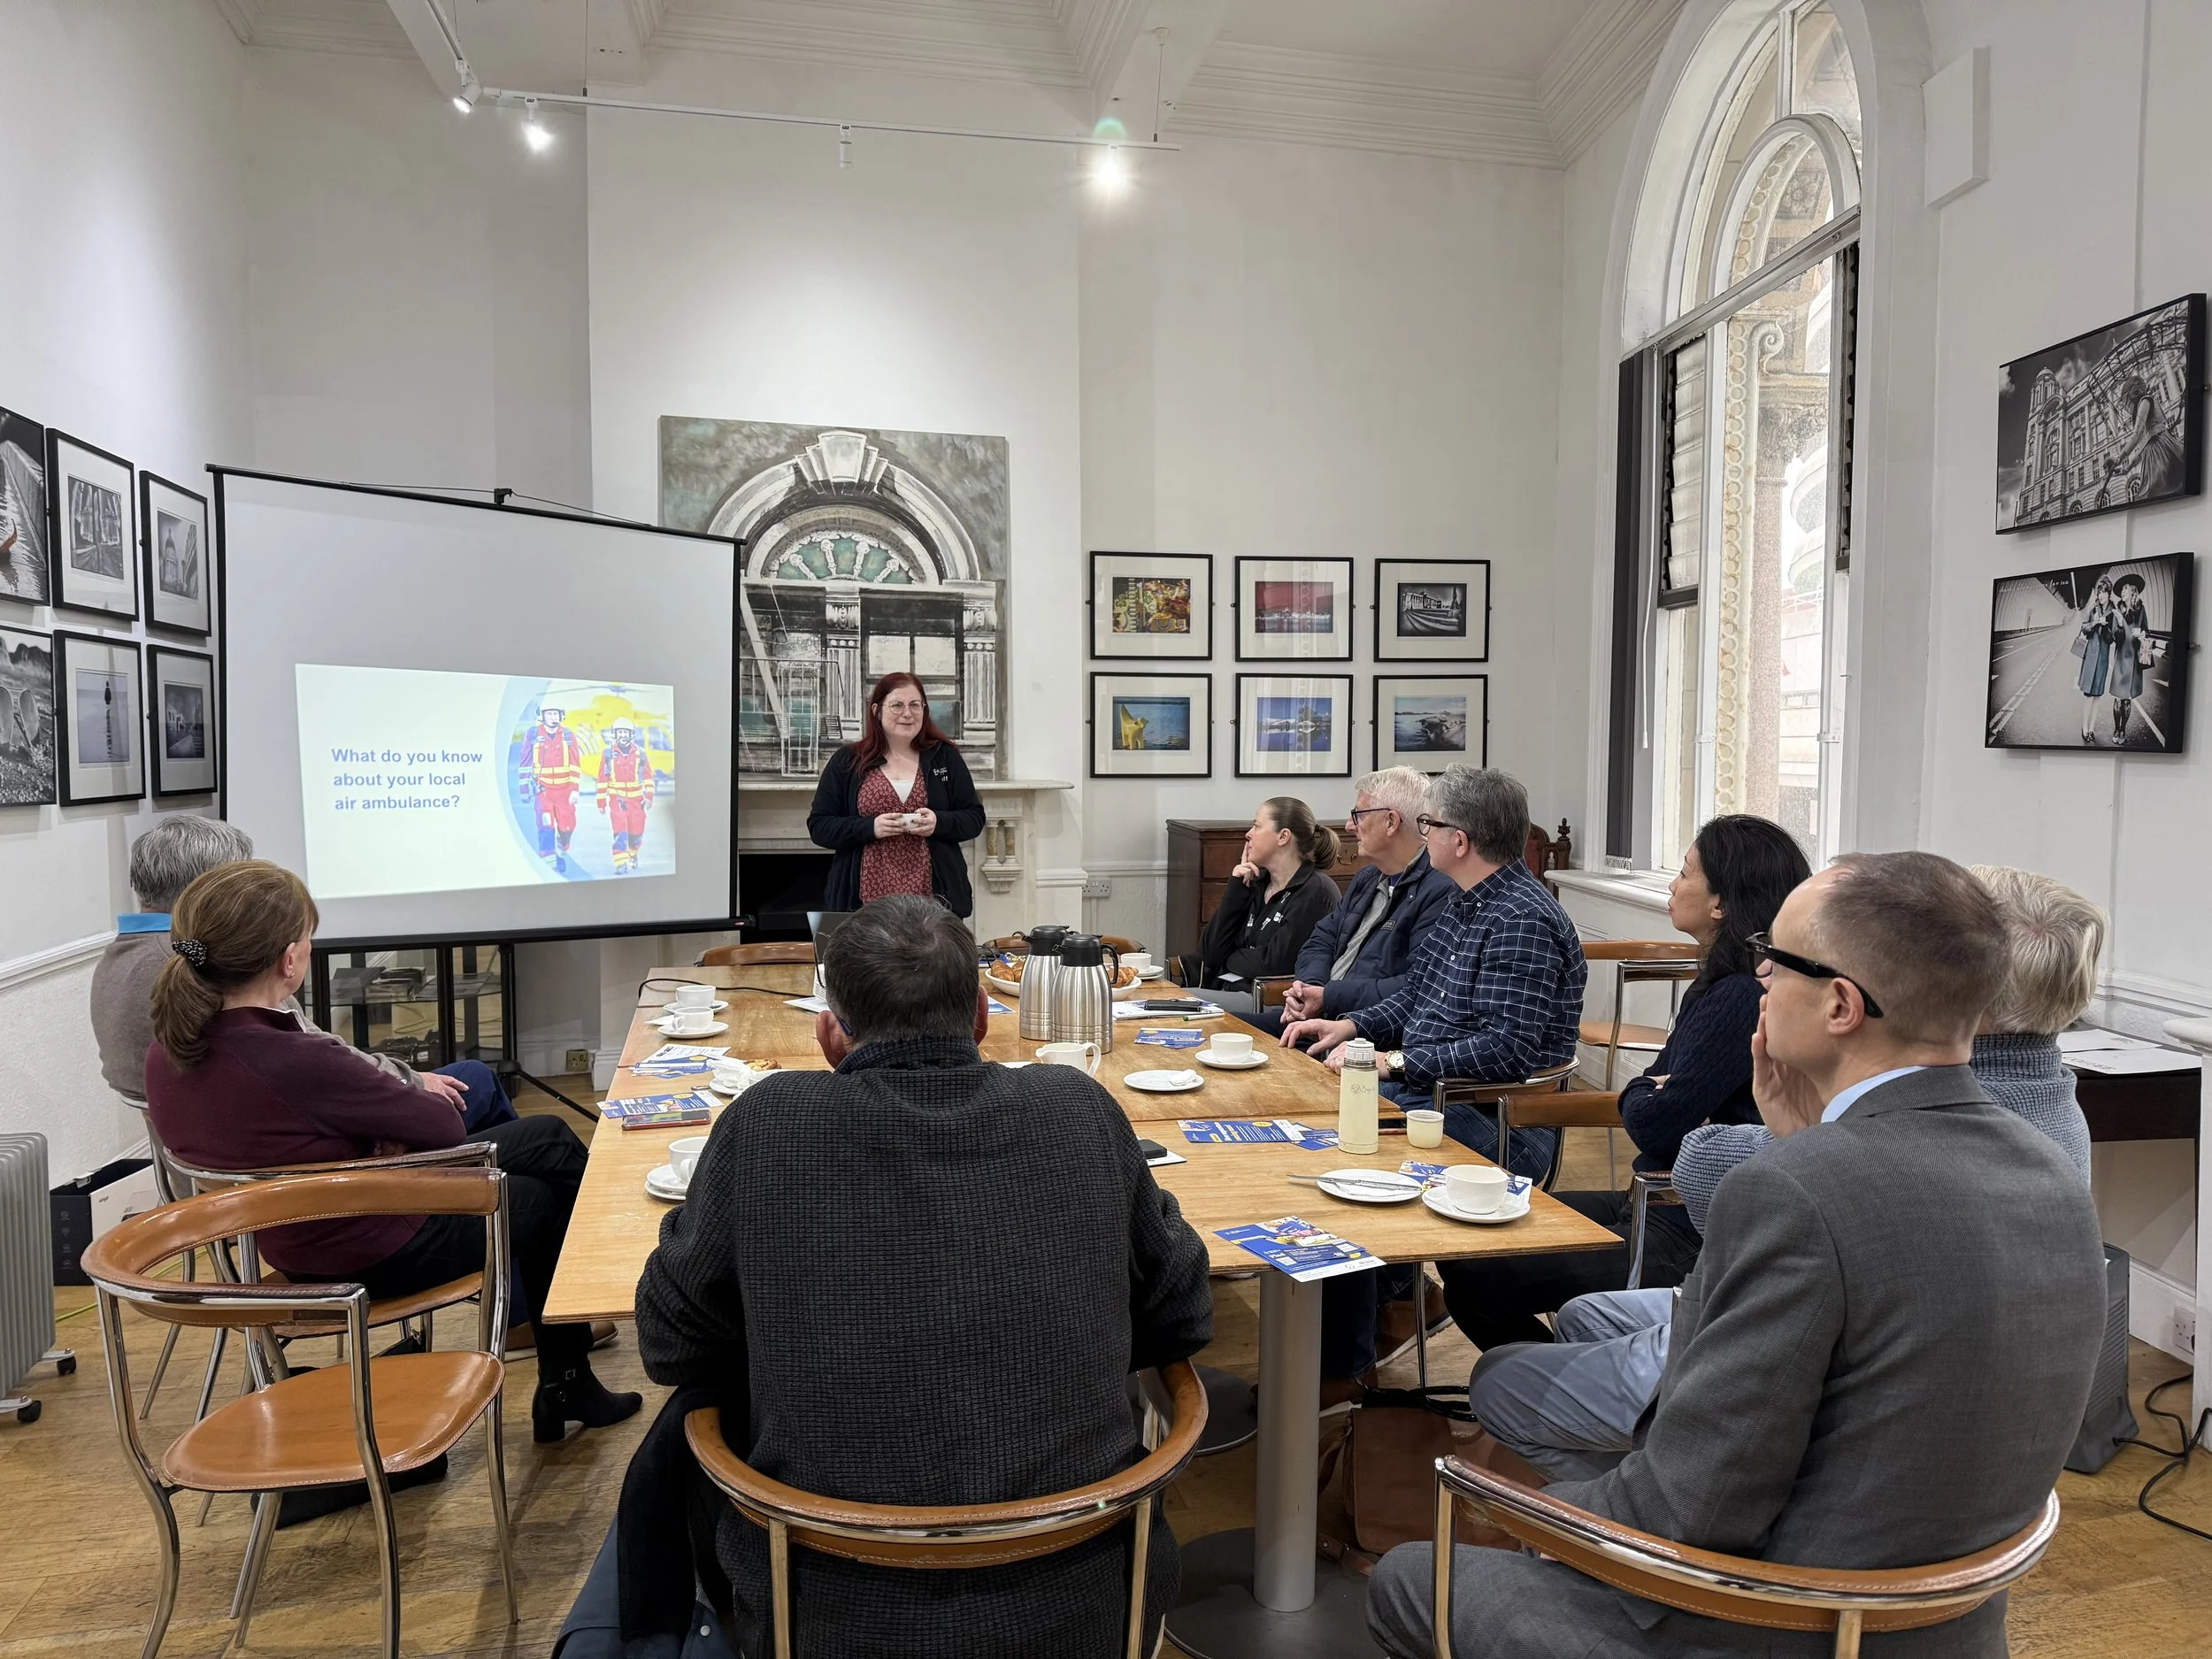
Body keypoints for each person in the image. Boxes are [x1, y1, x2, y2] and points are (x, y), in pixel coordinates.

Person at [1368, 852, 2108, 1659]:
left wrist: (1538, 1522)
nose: (1759, 974)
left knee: (1411, 1576)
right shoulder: (2054, 1169)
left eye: (1777, 957)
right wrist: (1805, 1142)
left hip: (1787, 1622)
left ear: (1841, 1004)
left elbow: (1693, 1504)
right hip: (1946, 1623)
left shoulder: (1798, 1190)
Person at [634, 895, 1213, 1659]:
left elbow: (671, 1344)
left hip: (822, 1614)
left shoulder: (766, 1123)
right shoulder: (1079, 1107)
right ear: (981, 1016)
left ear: (830, 1033)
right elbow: (1184, 1311)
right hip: (1094, 1603)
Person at [1471, 860, 2109, 1485]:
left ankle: (1624, 1503)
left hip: (1827, 1373)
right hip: (1902, 1383)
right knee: (1584, 1317)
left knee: (1501, 1377)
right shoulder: (2053, 1108)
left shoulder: (1917, 1125)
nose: (1765, 975)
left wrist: (1785, 1143)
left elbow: (1734, 1171)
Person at [143, 860, 639, 1445]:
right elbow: (442, 1125)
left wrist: (365, 1140)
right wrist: (377, 1140)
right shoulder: (291, 1057)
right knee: (540, 1180)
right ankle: (582, 1345)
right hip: (367, 1248)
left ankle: (571, 1363)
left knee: (539, 1148)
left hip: (294, 1238)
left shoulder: (170, 1049)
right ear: (289, 959)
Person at [1440, 815, 1809, 1355]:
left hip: (1684, 1223)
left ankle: (1564, 1391)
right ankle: (1564, 1382)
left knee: (1480, 1276)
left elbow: (1655, 1124)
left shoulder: (1737, 996)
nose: (1672, 885)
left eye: (1684, 873)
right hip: (1646, 1196)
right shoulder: (1722, 983)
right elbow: (1653, 1102)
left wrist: (1651, 1095)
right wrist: (1650, 1093)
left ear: (1721, 904)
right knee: (1468, 1251)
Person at [90, 815, 516, 1130]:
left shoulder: (118, 960)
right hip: (306, 1142)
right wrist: (412, 1081)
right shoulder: (215, 965)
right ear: (213, 889)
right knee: (481, 1087)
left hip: (223, 1139)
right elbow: (317, 1060)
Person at [1279, 765, 1586, 1180]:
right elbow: (1417, 995)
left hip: (1494, 1118)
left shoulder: (1522, 919)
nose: (1423, 835)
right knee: (1301, 1104)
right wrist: (1350, 1026)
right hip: (1433, 1094)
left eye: (1430, 824)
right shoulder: (1466, 901)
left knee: (1317, 1128)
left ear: (1459, 841)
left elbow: (1504, 1049)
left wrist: (1395, 1061)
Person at [1252, 767, 1455, 1041]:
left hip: (1364, 1036)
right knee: (1216, 1027)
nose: (1349, 825)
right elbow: (1320, 940)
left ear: (1391, 822)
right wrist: (1309, 989)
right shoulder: (1367, 878)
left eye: (1358, 815)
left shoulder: (1440, 890)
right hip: (1318, 1017)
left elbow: (1415, 986)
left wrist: (1327, 997)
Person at [808, 672, 987, 917]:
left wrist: (938, 822)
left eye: (915, 705)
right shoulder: (847, 760)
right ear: (876, 710)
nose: (907, 713)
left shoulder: (945, 757)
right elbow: (819, 826)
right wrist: (870, 827)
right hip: (864, 902)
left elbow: (974, 818)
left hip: (934, 901)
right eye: (897, 705)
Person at [1177, 796, 1344, 1013]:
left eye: (1257, 826)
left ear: (1283, 836)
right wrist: (1236, 889)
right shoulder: (1257, 882)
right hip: (1227, 988)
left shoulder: (1316, 891)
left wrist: (1229, 956)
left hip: (1269, 1002)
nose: (1248, 834)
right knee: (1164, 1001)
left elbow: (1274, 965)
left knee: (1176, 1003)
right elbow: (1210, 954)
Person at [519, 702, 588, 873]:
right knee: (545, 828)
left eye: (555, 714)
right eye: (549, 714)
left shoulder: (568, 736)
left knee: (567, 827)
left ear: (561, 716)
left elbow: (575, 765)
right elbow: (525, 763)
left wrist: (574, 790)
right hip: (543, 792)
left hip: (565, 792)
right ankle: (550, 866)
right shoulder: (533, 735)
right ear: (542, 716)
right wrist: (524, 789)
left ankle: (562, 848)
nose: (552, 717)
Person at [595, 717, 658, 874]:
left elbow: (648, 776)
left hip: (637, 801)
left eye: (626, 732)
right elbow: (602, 779)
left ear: (631, 734)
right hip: (617, 800)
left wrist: (649, 796)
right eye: (620, 732)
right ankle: (621, 862)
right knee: (620, 829)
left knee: (636, 834)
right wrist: (601, 802)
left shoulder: (640, 753)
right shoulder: (608, 754)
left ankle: (633, 854)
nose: (623, 735)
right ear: (615, 734)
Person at [2105, 572, 2154, 744]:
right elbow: (2114, 638)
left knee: (2127, 699)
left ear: (2133, 590)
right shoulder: (2117, 611)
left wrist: (2143, 635)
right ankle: (2116, 728)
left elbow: (2147, 632)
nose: (2123, 591)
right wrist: (2119, 623)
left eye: (2126, 588)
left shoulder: (2141, 610)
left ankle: (2123, 730)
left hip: (2134, 660)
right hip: (2121, 659)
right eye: (2122, 589)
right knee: (2118, 697)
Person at [2075, 573, 2117, 744]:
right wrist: (2094, 623)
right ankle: (2084, 727)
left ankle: (2092, 728)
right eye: (2099, 592)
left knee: (2098, 695)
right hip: (2090, 657)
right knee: (2088, 695)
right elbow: (2084, 627)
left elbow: (2112, 638)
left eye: (2104, 592)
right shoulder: (2092, 609)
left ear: (2109, 593)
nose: (2101, 595)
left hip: (2102, 659)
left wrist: (2106, 627)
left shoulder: (2113, 611)